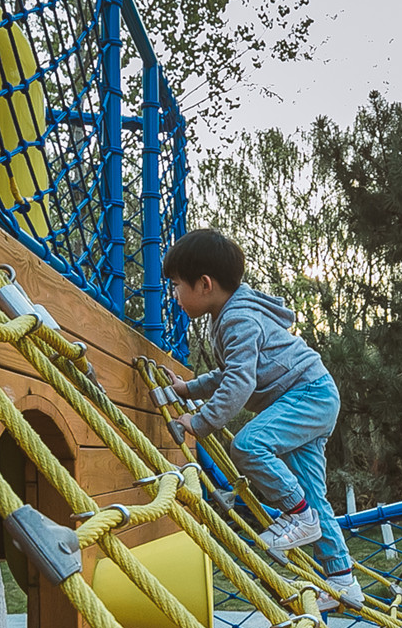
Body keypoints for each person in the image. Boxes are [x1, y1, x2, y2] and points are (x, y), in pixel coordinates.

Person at [153, 228, 362, 608]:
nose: (175, 295)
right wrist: (189, 389)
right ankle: (344, 580)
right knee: (314, 496)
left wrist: (197, 423)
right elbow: (229, 373)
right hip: (310, 395)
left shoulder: (238, 320)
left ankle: (299, 517)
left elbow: (239, 381)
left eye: (177, 285)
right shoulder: (228, 316)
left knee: (249, 445)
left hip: (307, 395)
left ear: (204, 284)